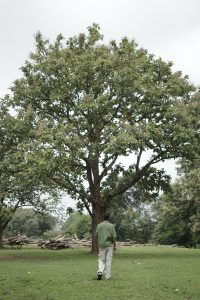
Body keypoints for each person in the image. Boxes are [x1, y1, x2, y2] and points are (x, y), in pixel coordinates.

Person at [96, 213, 117, 280]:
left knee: (101, 259)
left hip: (101, 245)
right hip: (109, 245)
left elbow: (96, 235)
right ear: (109, 218)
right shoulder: (111, 226)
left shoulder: (99, 225)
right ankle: (108, 276)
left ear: (103, 218)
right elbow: (113, 237)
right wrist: (114, 244)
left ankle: (100, 272)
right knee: (108, 260)